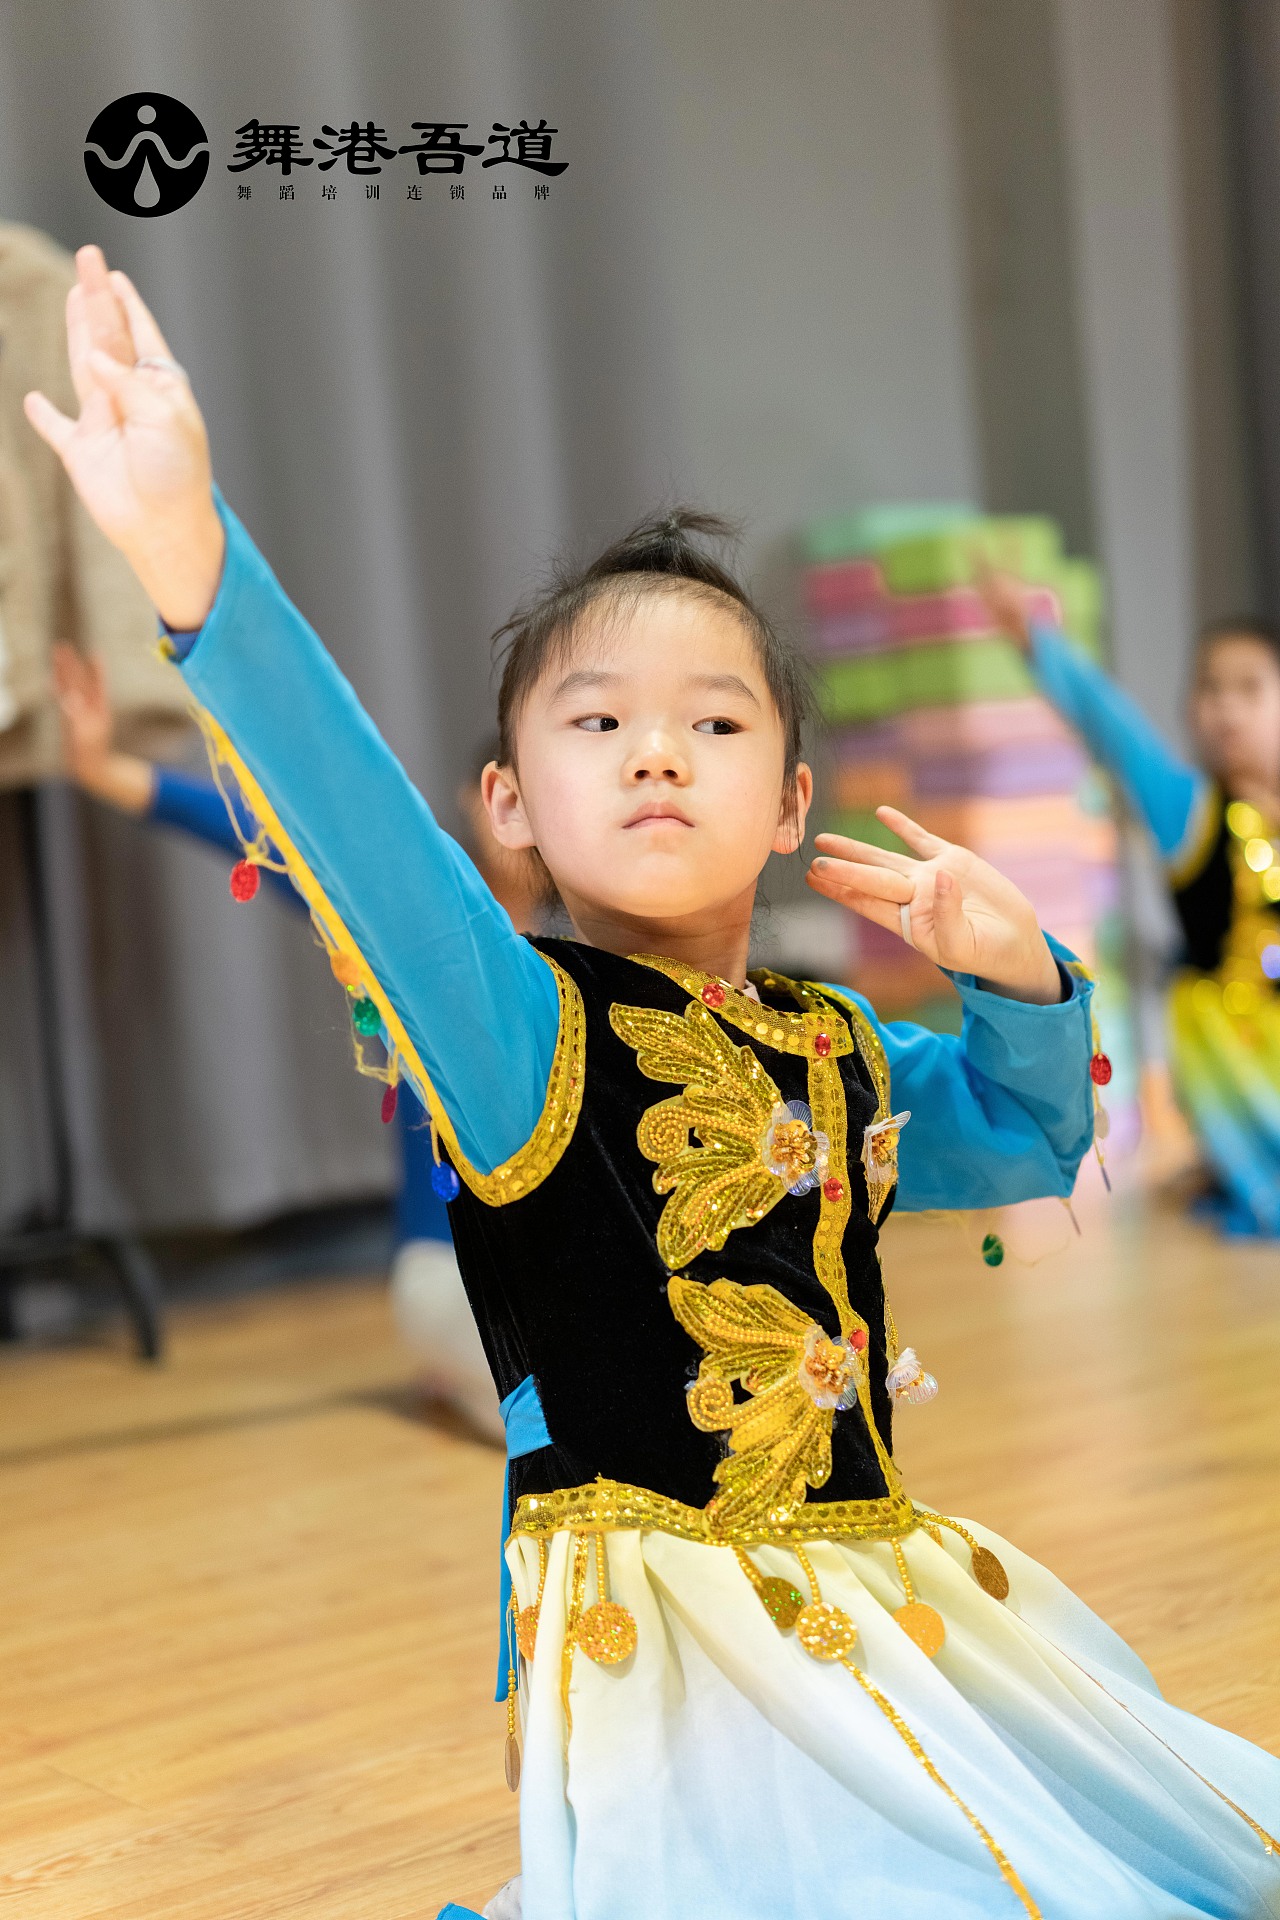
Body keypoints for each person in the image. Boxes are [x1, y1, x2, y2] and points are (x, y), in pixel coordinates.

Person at [25, 244, 1280, 1920]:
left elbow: (1034, 1139)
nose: (657, 751)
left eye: (712, 722)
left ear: (789, 804)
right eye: (597, 723)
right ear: (514, 802)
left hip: (895, 1604)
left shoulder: (836, 1045)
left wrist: (1023, 975)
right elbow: (351, 823)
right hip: (678, 1659)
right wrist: (192, 554)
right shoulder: (515, 1031)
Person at [52, 642, 521, 1440]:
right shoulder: (410, 931)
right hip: (450, 1277)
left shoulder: (604, 945)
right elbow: (277, 846)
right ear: (481, 801)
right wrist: (105, 770)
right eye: (506, 791)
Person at [980, 573, 1280, 1238]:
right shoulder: (1192, 812)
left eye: (1249, 688)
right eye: (1210, 688)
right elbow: (1114, 728)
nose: (1225, 708)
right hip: (1235, 1043)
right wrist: (1040, 641)